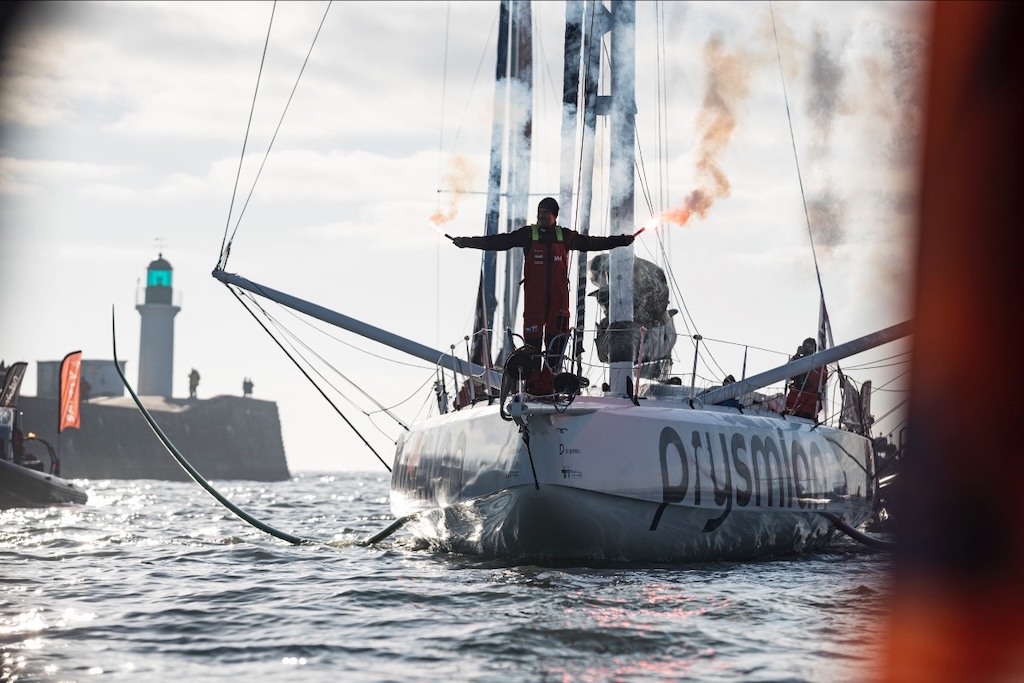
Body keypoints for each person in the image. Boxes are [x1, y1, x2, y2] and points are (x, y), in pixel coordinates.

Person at [452, 197, 634, 394]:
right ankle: (531, 386)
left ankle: (551, 384)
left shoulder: (565, 236)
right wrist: (467, 242)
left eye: (547, 213)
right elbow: (499, 241)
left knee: (556, 346)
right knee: (532, 347)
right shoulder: (528, 235)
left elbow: (592, 243)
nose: (542, 216)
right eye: (540, 212)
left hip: (559, 303)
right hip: (534, 304)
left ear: (554, 216)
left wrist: (621, 241)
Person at [784, 337, 826, 419]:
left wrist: (808, 366)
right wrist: (797, 355)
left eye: (810, 346)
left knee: (806, 416)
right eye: (806, 346)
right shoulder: (797, 360)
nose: (808, 349)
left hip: (809, 399)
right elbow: (787, 372)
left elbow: (822, 378)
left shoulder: (819, 362)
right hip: (795, 396)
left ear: (814, 349)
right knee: (789, 414)